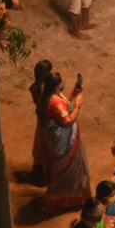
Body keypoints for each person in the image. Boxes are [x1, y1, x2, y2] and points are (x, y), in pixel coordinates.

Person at [38, 71, 92, 213]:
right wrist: (78, 105)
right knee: (66, 170)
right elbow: (67, 121)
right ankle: (62, 199)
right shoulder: (54, 101)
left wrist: (74, 93)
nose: (63, 84)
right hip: (63, 141)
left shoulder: (49, 96)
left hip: (58, 138)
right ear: (56, 87)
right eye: (61, 83)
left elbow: (62, 105)